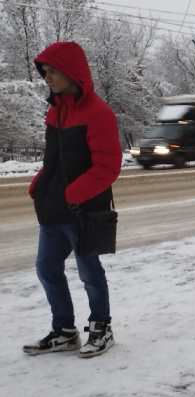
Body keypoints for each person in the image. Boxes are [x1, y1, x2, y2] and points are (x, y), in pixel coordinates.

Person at [23, 42, 122, 358]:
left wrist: (71, 195)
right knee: (47, 269)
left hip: (83, 211)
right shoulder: (55, 112)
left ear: (71, 73)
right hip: (52, 210)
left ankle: (101, 328)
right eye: (45, 72)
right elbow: (54, 159)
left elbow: (107, 167)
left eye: (52, 71)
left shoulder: (99, 113)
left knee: (89, 273)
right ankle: (64, 332)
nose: (47, 77)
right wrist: (40, 185)